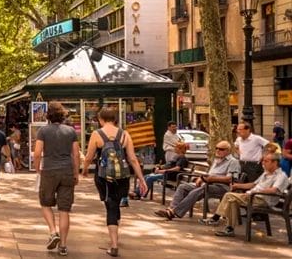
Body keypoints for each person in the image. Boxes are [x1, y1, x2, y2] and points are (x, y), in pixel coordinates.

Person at [82, 107, 147, 257]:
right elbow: (132, 159)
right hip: (122, 177)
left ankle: (114, 245)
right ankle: (115, 229)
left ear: (100, 119)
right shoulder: (125, 134)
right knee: (115, 204)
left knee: (110, 205)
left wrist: (84, 170)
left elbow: (89, 156)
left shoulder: (96, 134)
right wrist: (141, 178)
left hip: (104, 177)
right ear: (115, 119)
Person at [203, 152, 289, 237]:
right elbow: (253, 184)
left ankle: (216, 218)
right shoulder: (266, 173)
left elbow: (274, 190)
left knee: (229, 195)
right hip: (252, 197)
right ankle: (229, 229)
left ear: (275, 162)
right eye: (263, 161)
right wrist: (238, 185)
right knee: (231, 200)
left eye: (266, 161)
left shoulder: (281, 176)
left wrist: (255, 192)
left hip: (262, 200)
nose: (263, 163)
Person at [34, 102, 79, 256]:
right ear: (62, 115)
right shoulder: (71, 131)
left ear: (48, 115)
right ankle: (64, 246)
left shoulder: (43, 131)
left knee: (45, 203)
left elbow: (38, 152)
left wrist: (37, 168)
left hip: (49, 171)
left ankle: (53, 232)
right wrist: (76, 173)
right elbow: (76, 154)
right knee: (64, 209)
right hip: (66, 171)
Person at [154, 140, 240, 220]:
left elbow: (230, 179)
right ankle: (171, 209)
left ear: (228, 150)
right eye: (216, 148)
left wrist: (210, 179)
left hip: (222, 187)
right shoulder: (217, 160)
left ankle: (174, 212)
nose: (217, 150)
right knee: (183, 187)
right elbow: (209, 175)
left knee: (198, 190)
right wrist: (200, 178)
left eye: (221, 149)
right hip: (208, 184)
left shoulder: (233, 162)